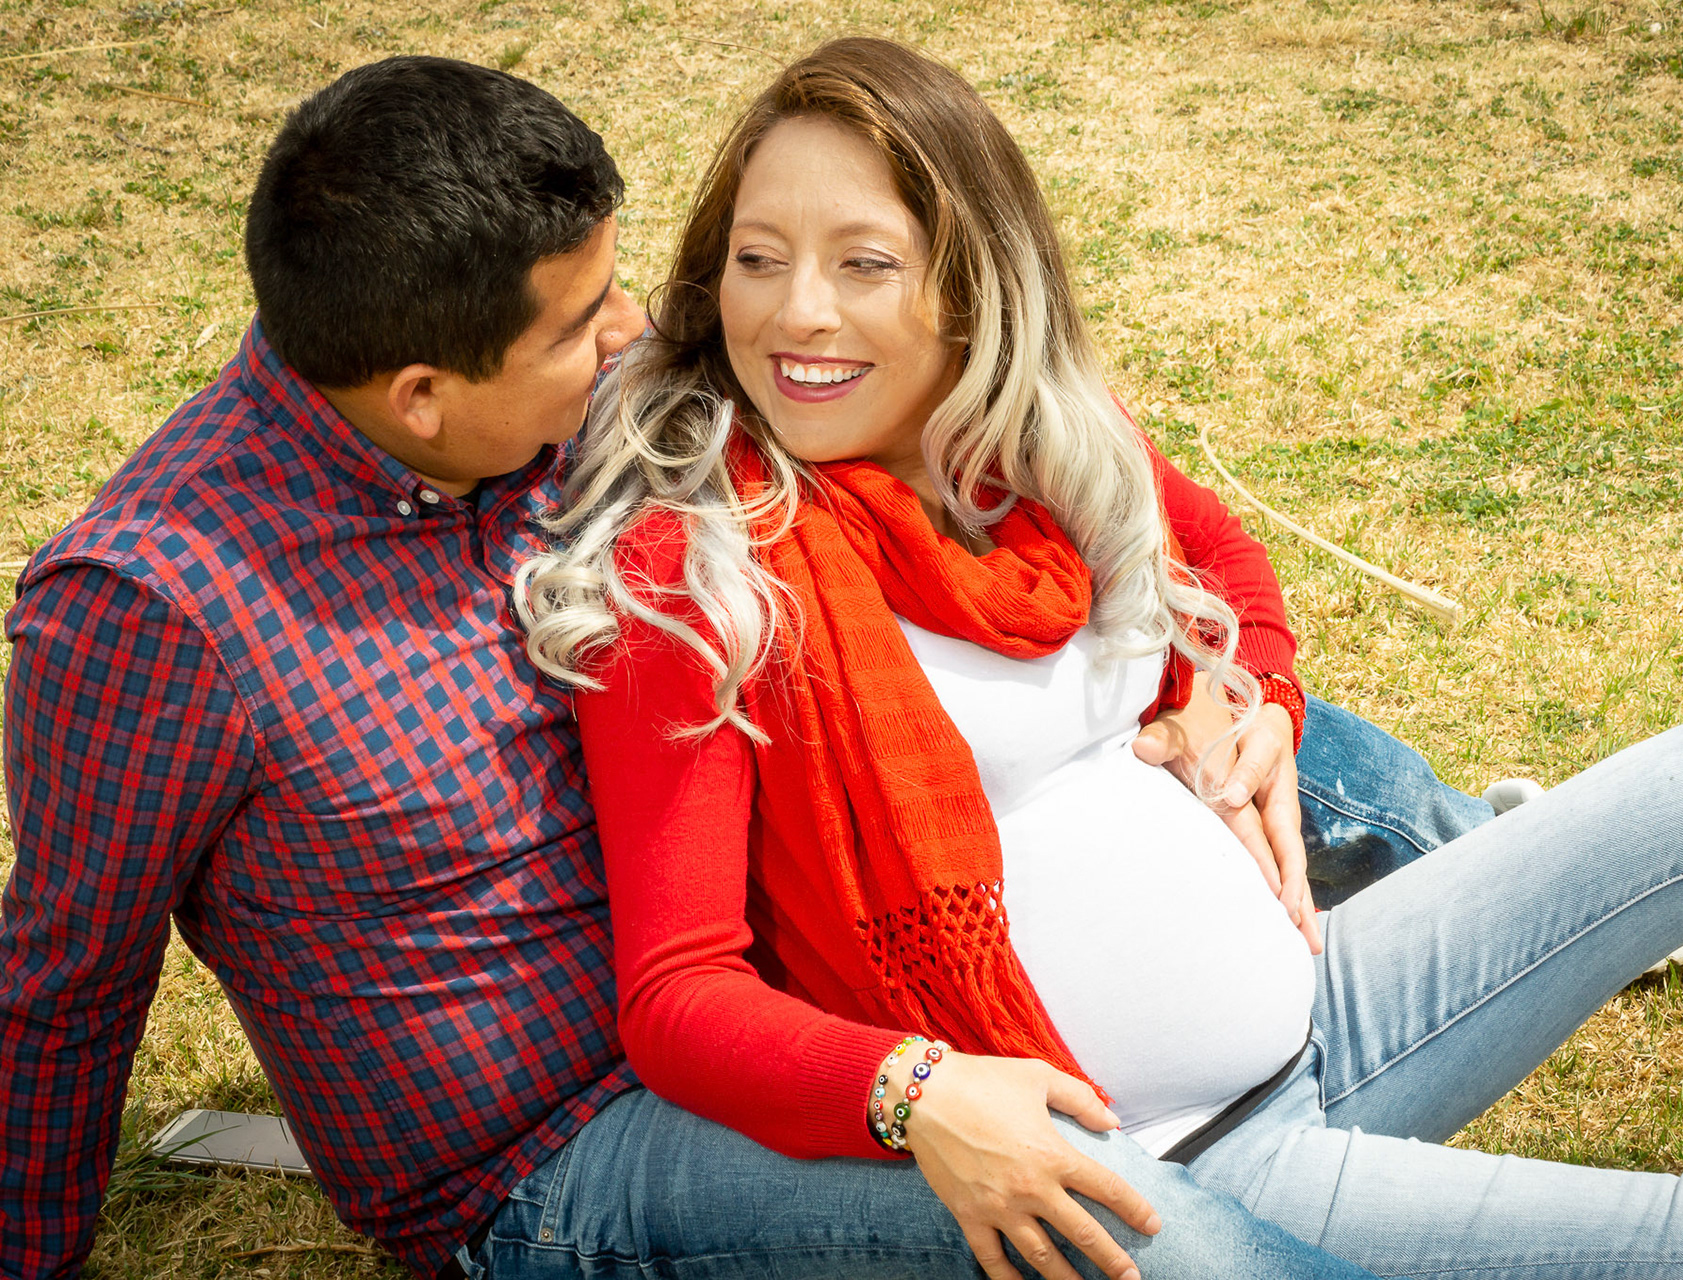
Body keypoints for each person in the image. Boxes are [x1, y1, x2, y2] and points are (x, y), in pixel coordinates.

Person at [0, 53, 1429, 1280]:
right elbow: (63, 987)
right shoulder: (157, 610)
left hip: (782, 981)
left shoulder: (562, 387)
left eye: (618, 288)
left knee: (1133, 691)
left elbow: (1151, 504)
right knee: (1094, 1198)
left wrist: (1242, 686)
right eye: (580, 328)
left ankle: (1450, 852)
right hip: (563, 1158)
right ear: (424, 399)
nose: (635, 337)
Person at [518, 36, 1683, 1280]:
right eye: (758, 260)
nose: (797, 315)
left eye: (863, 262)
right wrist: (917, 1091)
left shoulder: (1022, 448)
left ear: (969, 288)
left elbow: (1226, 560)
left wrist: (1262, 707)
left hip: (1332, 1008)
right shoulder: (702, 572)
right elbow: (678, 997)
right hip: (1189, 1159)